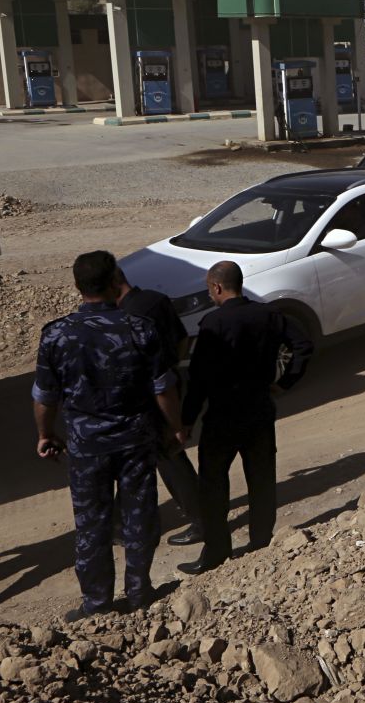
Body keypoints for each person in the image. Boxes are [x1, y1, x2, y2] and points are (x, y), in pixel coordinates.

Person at [33, 251, 180, 617]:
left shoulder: (56, 334)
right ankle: (139, 591)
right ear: (116, 281)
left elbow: (45, 396)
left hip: (87, 445)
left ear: (78, 286)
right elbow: (163, 388)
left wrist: (45, 434)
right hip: (135, 439)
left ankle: (96, 603)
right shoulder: (140, 328)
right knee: (139, 515)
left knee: (91, 523)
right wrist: (176, 428)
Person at [181, 261, 312, 575]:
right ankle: (261, 542)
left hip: (223, 415)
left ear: (217, 287)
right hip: (259, 410)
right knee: (262, 479)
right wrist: (285, 382)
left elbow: (198, 378)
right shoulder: (268, 315)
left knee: (213, 483)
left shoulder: (213, 323)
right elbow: (302, 345)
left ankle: (216, 550)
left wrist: (186, 420)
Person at [110, 267, 202, 547]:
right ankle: (118, 524)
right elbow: (182, 340)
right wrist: (171, 366)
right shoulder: (156, 299)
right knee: (149, 457)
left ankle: (204, 519)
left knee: (167, 457)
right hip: (169, 385)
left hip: (147, 397)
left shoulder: (123, 317)